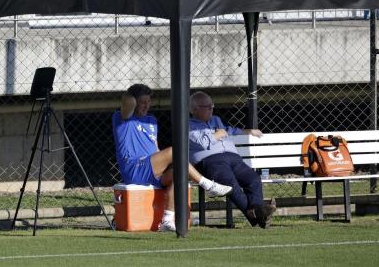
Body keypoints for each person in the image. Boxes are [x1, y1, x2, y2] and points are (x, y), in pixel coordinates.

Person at [112, 84, 233, 232]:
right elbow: (128, 100)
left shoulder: (151, 121)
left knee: (180, 170)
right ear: (135, 102)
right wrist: (133, 95)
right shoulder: (122, 118)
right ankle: (208, 185)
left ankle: (167, 220)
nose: (146, 106)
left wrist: (167, 164)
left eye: (148, 102)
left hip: (153, 170)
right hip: (134, 169)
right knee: (175, 151)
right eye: (142, 102)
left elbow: (155, 148)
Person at [188, 91, 276, 229]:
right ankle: (260, 214)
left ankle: (257, 213)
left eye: (212, 105)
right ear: (195, 109)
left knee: (253, 179)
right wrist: (218, 134)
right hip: (210, 161)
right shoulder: (189, 125)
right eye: (207, 107)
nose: (212, 109)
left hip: (233, 158)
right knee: (230, 184)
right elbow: (203, 142)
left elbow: (230, 130)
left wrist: (248, 132)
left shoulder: (215, 119)